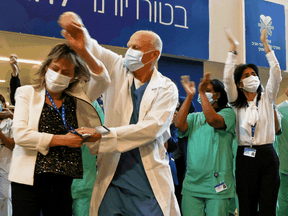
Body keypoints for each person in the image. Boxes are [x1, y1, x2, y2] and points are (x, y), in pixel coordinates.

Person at [58, 11, 180, 216]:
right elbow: (93, 47)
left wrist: (103, 135)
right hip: (112, 178)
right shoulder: (117, 66)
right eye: (128, 46)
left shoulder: (167, 88)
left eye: (136, 48)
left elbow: (152, 128)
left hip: (146, 180)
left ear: (154, 55)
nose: (129, 51)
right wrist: (75, 24)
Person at [8, 26, 110, 216]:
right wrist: (64, 140)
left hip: (63, 182)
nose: (59, 74)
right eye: (55, 68)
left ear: (73, 77)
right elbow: (20, 135)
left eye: (66, 71)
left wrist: (83, 51)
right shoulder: (27, 93)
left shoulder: (77, 98)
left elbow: (103, 79)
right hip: (27, 181)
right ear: (47, 67)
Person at [223, 28, 282, 216]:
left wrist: (265, 44)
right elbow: (226, 79)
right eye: (246, 75)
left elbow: (276, 72)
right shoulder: (236, 102)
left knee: (268, 207)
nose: (252, 77)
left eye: (253, 74)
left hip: (267, 155)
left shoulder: (267, 98)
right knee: (246, 206)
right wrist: (233, 50)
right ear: (240, 83)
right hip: (245, 157)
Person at [174, 74, 236, 216]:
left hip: (217, 184)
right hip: (193, 184)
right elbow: (179, 124)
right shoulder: (195, 117)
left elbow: (213, 120)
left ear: (217, 96)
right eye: (203, 90)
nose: (203, 93)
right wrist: (189, 96)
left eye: (207, 90)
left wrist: (201, 92)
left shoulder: (228, 114)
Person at [274, 86, 288, 216]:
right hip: (284, 168)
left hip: (283, 166)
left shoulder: (278, 110)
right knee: (283, 204)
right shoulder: (278, 111)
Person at [0, 94, 15, 216]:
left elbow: (12, 145)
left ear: (3, 105)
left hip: (5, 166)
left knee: (5, 198)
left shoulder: (11, 122)